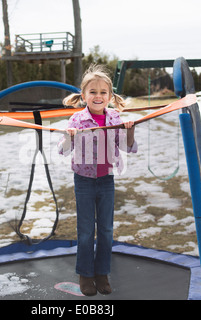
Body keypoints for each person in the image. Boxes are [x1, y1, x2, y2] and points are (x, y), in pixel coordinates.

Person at [58, 64, 137, 296]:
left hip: (106, 180)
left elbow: (127, 147)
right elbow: (62, 151)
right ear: (84, 96)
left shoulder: (114, 117)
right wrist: (68, 137)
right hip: (83, 180)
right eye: (93, 92)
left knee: (105, 229)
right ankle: (85, 274)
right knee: (85, 230)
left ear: (110, 97)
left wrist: (129, 131)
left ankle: (102, 273)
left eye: (103, 92)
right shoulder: (77, 119)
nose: (98, 96)